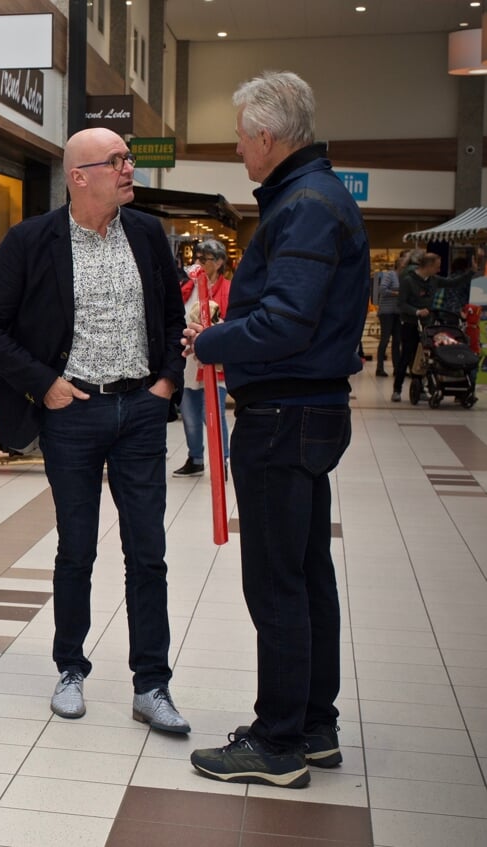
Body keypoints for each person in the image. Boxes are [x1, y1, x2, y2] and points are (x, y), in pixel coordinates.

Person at [0, 128, 190, 735]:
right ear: (79, 176)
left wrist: (166, 382)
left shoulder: (145, 234)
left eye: (128, 159)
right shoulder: (32, 241)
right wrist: (46, 385)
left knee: (149, 551)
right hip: (73, 414)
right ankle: (71, 669)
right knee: (77, 548)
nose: (129, 169)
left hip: (140, 411)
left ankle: (152, 685)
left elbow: (172, 315)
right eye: (117, 161)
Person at [184, 70, 369, 789]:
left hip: (282, 419)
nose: (237, 150)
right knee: (305, 573)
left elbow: (286, 322)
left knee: (275, 583)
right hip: (307, 415)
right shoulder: (318, 197)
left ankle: (276, 741)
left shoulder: (303, 207)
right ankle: (313, 725)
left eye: (239, 137)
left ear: (266, 136)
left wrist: (211, 342)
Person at [174, 239, 231, 478]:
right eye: (198, 259)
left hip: (213, 361)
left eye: (205, 259)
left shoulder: (228, 289)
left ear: (218, 263)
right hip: (187, 360)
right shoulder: (188, 286)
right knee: (189, 413)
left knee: (214, 413)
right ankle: (195, 458)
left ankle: (222, 459)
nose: (199, 263)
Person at [393, 251, 438, 402]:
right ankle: (397, 389)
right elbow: (401, 303)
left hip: (426, 324)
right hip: (410, 323)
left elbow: (450, 282)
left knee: (423, 357)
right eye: (436, 266)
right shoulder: (408, 280)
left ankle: (419, 385)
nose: (438, 269)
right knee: (407, 354)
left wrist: (471, 272)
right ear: (429, 266)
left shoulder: (432, 280)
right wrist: (417, 311)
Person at [371, 252, 406, 377]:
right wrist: (396, 293)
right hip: (386, 312)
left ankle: (397, 368)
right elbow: (382, 289)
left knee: (397, 340)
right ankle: (379, 368)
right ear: (399, 264)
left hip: (398, 312)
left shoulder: (404, 277)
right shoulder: (390, 275)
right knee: (385, 339)